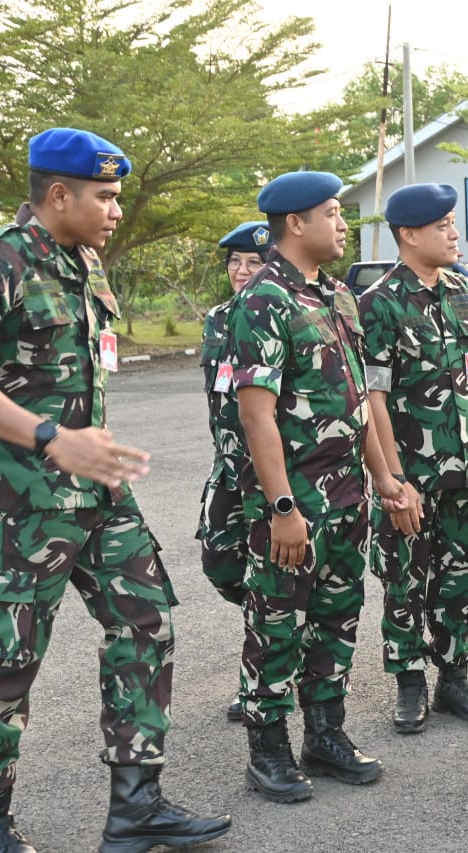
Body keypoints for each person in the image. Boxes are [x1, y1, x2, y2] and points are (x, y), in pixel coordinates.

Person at [0, 127, 231, 852]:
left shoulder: (84, 260)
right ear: (58, 195)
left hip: (96, 494)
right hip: (20, 501)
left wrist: (82, 447)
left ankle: (136, 806)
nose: (117, 210)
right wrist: (51, 437)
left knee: (147, 622)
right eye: (106, 196)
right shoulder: (0, 260)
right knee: (7, 658)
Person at [225, 171, 413, 804]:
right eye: (333, 213)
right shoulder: (264, 299)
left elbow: (355, 401)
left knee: (337, 615)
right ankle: (268, 748)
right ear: (296, 223)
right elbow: (256, 413)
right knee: (276, 622)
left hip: (346, 497)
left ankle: (325, 733)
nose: (344, 224)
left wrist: (384, 476)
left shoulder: (335, 296)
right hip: (291, 500)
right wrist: (280, 507)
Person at [358, 183, 468, 735]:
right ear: (409, 235)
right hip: (412, 477)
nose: (454, 233)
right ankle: (407, 681)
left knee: (459, 575)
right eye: (443, 225)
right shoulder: (377, 304)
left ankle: (455, 676)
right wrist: (393, 480)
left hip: (466, 469)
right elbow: (371, 398)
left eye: (453, 223)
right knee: (404, 579)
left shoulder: (465, 293)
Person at [197, 220, 272, 723]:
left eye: (253, 262)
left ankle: (260, 687)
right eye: (234, 262)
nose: (241, 271)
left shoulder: (281, 313)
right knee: (221, 565)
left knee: (271, 584)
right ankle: (281, 639)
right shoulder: (218, 318)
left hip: (272, 475)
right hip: (228, 469)